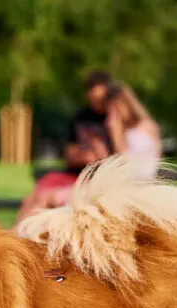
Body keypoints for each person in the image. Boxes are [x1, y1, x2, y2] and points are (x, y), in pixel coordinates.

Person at [15, 70, 113, 225]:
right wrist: (86, 156)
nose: (95, 101)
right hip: (73, 175)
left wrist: (96, 155)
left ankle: (21, 238)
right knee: (30, 199)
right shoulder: (81, 117)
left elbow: (115, 157)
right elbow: (69, 153)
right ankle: (16, 237)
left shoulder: (114, 119)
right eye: (92, 95)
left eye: (99, 97)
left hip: (94, 181)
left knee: (42, 200)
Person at [104, 83, 162, 179]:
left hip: (147, 180)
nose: (115, 113)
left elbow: (157, 158)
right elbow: (121, 162)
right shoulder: (118, 130)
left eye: (116, 108)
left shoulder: (146, 126)